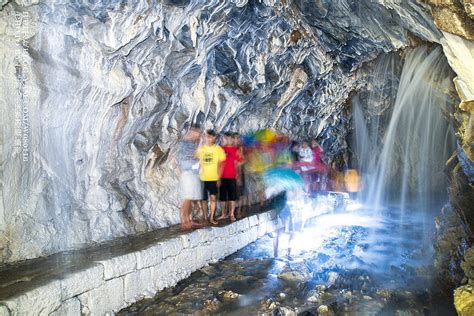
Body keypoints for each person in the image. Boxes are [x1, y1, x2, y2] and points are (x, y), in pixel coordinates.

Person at [195, 129, 226, 225]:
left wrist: (219, 178)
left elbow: (221, 164)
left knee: (213, 198)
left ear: (213, 138)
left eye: (209, 137)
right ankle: (205, 217)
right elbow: (195, 159)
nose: (207, 139)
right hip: (203, 178)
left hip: (213, 178)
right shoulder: (201, 149)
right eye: (206, 136)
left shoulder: (218, 149)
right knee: (204, 199)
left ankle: (211, 217)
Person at [177, 124, 203, 230]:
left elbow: (197, 156)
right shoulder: (182, 143)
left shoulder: (192, 145)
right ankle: (184, 221)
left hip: (193, 173)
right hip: (187, 173)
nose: (199, 135)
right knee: (187, 198)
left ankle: (189, 220)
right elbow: (176, 157)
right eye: (198, 133)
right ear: (192, 132)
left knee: (191, 198)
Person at [217, 132, 242, 222]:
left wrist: (237, 173)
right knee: (222, 197)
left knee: (232, 196)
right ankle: (224, 213)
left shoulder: (236, 150)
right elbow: (218, 163)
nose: (227, 140)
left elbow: (240, 161)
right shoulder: (221, 149)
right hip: (222, 176)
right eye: (225, 138)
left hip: (232, 176)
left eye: (228, 138)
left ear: (231, 139)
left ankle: (231, 214)